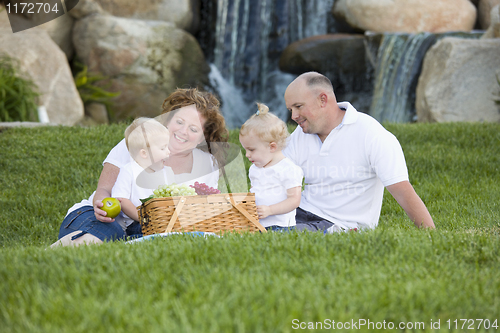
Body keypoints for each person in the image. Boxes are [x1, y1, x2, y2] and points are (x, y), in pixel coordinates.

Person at [51, 88, 229, 247]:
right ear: (168, 121)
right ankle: (52, 254)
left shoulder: (208, 164)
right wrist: (101, 207)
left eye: (193, 129)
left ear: (202, 137)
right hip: (100, 217)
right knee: (110, 232)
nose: (183, 131)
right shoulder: (140, 142)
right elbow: (104, 188)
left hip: (147, 228)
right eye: (180, 122)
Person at [283, 72, 435, 232]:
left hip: (340, 225)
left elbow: (403, 191)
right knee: (260, 225)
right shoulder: (300, 135)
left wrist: (431, 235)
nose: (293, 116)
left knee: (280, 233)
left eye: (298, 107)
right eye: (290, 109)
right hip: (301, 213)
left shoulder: (372, 134)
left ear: (322, 99)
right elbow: (277, 177)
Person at [239, 103, 303, 231]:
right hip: (257, 224)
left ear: (272, 147)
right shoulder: (255, 168)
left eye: (251, 150)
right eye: (245, 149)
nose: (247, 155)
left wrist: (270, 210)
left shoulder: (288, 169)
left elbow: (294, 200)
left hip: (280, 226)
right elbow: (255, 192)